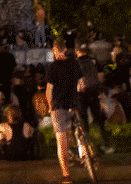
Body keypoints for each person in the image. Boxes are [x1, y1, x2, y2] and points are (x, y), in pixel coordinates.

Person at [47, 38, 83, 184]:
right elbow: (81, 84)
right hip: (74, 104)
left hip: (59, 106)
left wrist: (50, 106)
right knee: (80, 130)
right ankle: (84, 152)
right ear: (66, 50)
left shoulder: (53, 67)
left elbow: (49, 91)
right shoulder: (74, 63)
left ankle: (66, 174)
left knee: (62, 140)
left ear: (55, 50)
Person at [75, 39, 113, 153]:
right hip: (94, 91)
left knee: (83, 120)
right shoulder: (94, 60)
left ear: (77, 51)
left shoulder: (75, 62)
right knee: (98, 118)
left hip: (81, 93)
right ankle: (105, 144)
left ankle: (87, 146)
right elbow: (100, 76)